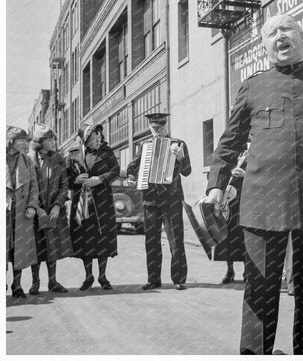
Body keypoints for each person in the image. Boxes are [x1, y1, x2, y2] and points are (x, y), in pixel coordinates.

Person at [205, 14, 303, 355]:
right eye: (271, 33)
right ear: (264, 46)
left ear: (301, 36)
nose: (280, 36)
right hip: (262, 205)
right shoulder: (253, 86)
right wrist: (216, 185)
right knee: (259, 293)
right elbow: (229, 141)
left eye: (287, 29)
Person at [126, 113, 191, 291]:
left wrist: (180, 158)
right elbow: (133, 166)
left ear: (166, 126)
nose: (158, 131)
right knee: (152, 242)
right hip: (150, 201)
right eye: (155, 128)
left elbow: (187, 171)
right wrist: (132, 177)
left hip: (172, 200)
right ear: (150, 128)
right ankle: (153, 279)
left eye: (161, 128)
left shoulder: (179, 144)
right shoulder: (145, 145)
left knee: (176, 241)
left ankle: (179, 279)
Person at [66, 123, 120, 291]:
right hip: (82, 204)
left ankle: (103, 276)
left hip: (102, 202)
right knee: (84, 238)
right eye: (94, 138)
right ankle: (88, 276)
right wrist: (75, 181)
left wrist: (100, 179)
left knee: (102, 237)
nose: (98, 140)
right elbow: (64, 179)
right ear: (85, 140)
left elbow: (115, 171)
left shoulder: (107, 152)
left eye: (99, 137)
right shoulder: (73, 155)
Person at [26, 124, 73, 295]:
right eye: (49, 139)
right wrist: (36, 208)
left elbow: (64, 184)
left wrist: (57, 205)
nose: (53, 142)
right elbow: (26, 187)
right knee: (37, 247)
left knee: (53, 246)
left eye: (53, 138)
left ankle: (52, 281)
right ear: (40, 141)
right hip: (34, 212)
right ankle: (35, 282)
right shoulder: (28, 160)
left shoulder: (58, 159)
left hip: (53, 211)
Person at [6, 126, 39, 298]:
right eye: (21, 140)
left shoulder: (27, 161)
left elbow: (34, 186)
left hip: (21, 211)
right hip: (4, 212)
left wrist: (32, 206)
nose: (24, 143)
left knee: (19, 249)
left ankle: (17, 285)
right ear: (11, 141)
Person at [213, 143, 249, 284]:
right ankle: (230, 271)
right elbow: (217, 171)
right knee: (227, 236)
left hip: (243, 200)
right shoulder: (230, 157)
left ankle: (247, 272)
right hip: (227, 203)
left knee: (243, 236)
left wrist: (245, 174)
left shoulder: (254, 155)